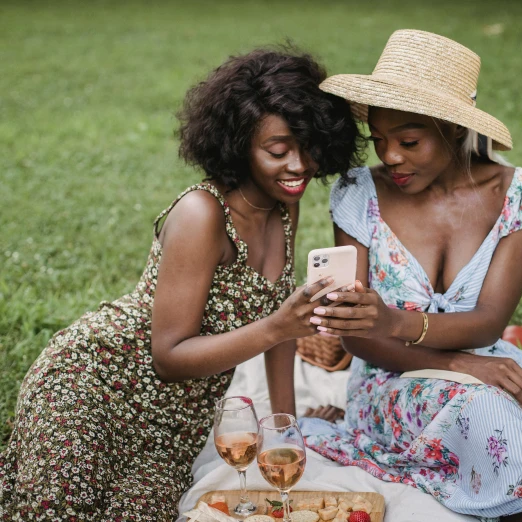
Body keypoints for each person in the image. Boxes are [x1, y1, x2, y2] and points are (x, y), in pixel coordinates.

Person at [0, 47, 363, 521]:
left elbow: (282, 327)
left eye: (309, 147)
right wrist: (278, 326)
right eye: (277, 151)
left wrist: (284, 431)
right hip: (93, 387)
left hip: (176, 427)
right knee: (58, 510)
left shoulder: (282, 204)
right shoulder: (202, 213)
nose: (299, 165)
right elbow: (169, 357)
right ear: (239, 144)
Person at [300, 30, 522, 522]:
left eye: (409, 140)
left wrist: (400, 323)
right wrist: (460, 367)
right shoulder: (360, 193)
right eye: (379, 140)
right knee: (480, 410)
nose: (390, 156)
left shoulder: (517, 194)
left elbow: (489, 322)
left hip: (495, 368)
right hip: (390, 381)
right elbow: (360, 340)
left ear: (454, 128)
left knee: (499, 418)